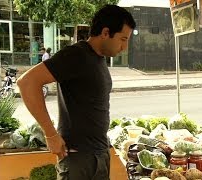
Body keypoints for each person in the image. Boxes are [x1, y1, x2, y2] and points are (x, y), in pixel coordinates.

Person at [17, 5, 136, 180]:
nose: (124, 47)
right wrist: (50, 134)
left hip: (99, 154)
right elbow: (27, 82)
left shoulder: (98, 58)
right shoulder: (76, 55)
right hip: (78, 159)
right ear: (105, 32)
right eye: (123, 39)